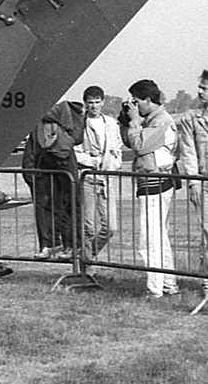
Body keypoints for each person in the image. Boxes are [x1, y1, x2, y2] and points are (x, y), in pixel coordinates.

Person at [123, 79, 179, 298]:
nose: (135, 106)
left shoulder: (160, 121)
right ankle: (168, 283)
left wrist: (135, 121)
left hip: (154, 182)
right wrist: (128, 122)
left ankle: (155, 288)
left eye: (136, 101)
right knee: (159, 235)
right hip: (155, 181)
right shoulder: (154, 120)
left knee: (149, 239)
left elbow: (138, 145)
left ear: (148, 99)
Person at [22, 99, 85, 258]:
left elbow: (31, 150)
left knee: (61, 205)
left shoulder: (42, 120)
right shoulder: (65, 115)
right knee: (62, 205)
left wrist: (29, 173)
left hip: (49, 163)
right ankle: (64, 246)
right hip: (60, 162)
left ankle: (60, 245)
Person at [74, 85, 124, 257]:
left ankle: (85, 256)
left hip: (107, 178)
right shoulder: (79, 123)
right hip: (87, 178)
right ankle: (87, 267)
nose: (94, 106)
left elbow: (117, 147)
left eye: (97, 102)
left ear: (103, 102)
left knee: (111, 227)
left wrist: (114, 163)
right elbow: (75, 152)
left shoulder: (110, 123)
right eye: (90, 103)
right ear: (85, 104)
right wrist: (92, 161)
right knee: (88, 226)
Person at [174, 70, 208, 277]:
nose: (200, 91)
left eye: (205, 88)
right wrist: (193, 182)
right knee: (207, 232)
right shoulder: (191, 118)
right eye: (201, 87)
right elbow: (188, 152)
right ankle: (206, 282)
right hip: (203, 182)